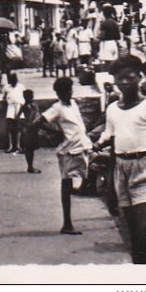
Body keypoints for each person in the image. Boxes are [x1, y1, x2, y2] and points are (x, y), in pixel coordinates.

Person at [94, 55, 146, 264]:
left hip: (145, 169)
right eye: (120, 79)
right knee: (135, 246)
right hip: (121, 169)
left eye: (130, 77)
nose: (125, 83)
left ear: (139, 77)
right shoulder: (112, 109)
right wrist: (111, 186)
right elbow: (113, 147)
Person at [33, 77, 92, 234]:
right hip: (68, 150)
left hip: (82, 146)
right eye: (67, 90)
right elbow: (38, 123)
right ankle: (67, 224)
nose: (70, 92)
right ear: (60, 93)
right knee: (66, 183)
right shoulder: (57, 108)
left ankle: (82, 189)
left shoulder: (73, 104)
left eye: (71, 89)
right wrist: (56, 132)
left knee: (89, 173)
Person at [18, 89, 42, 174]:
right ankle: (30, 167)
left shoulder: (34, 105)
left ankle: (30, 166)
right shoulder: (25, 106)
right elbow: (18, 118)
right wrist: (26, 124)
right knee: (28, 148)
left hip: (33, 128)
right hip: (28, 129)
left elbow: (38, 115)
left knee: (31, 148)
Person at [2, 73, 25, 153]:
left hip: (19, 106)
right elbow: (4, 97)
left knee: (19, 126)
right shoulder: (6, 87)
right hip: (11, 106)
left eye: (14, 81)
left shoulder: (21, 86)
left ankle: (18, 145)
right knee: (10, 126)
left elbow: (25, 96)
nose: (13, 83)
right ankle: (11, 146)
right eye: (12, 81)